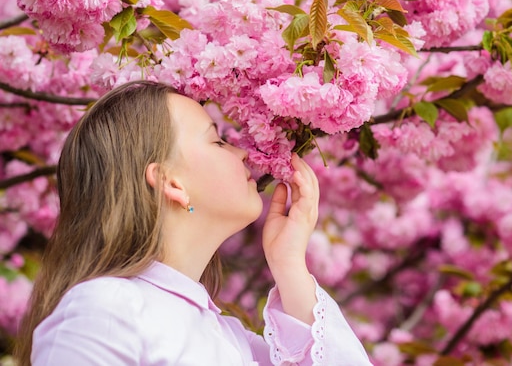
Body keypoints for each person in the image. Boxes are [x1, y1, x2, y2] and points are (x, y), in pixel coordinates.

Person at [14, 81, 372, 365]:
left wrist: (289, 265)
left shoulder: (233, 339)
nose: (242, 152)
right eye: (217, 141)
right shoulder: (105, 308)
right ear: (172, 183)